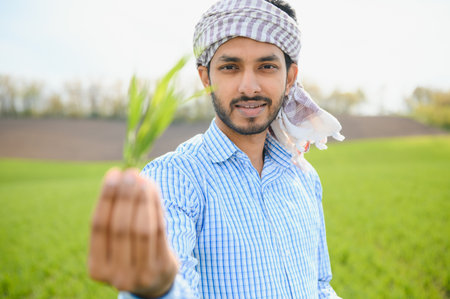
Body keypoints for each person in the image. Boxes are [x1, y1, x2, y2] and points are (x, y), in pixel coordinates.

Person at [88, 0, 344, 298]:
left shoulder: (304, 178)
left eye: (267, 66)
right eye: (230, 67)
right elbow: (172, 280)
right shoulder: (174, 179)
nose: (249, 87)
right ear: (206, 78)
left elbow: (319, 286)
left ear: (289, 78)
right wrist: (159, 289)